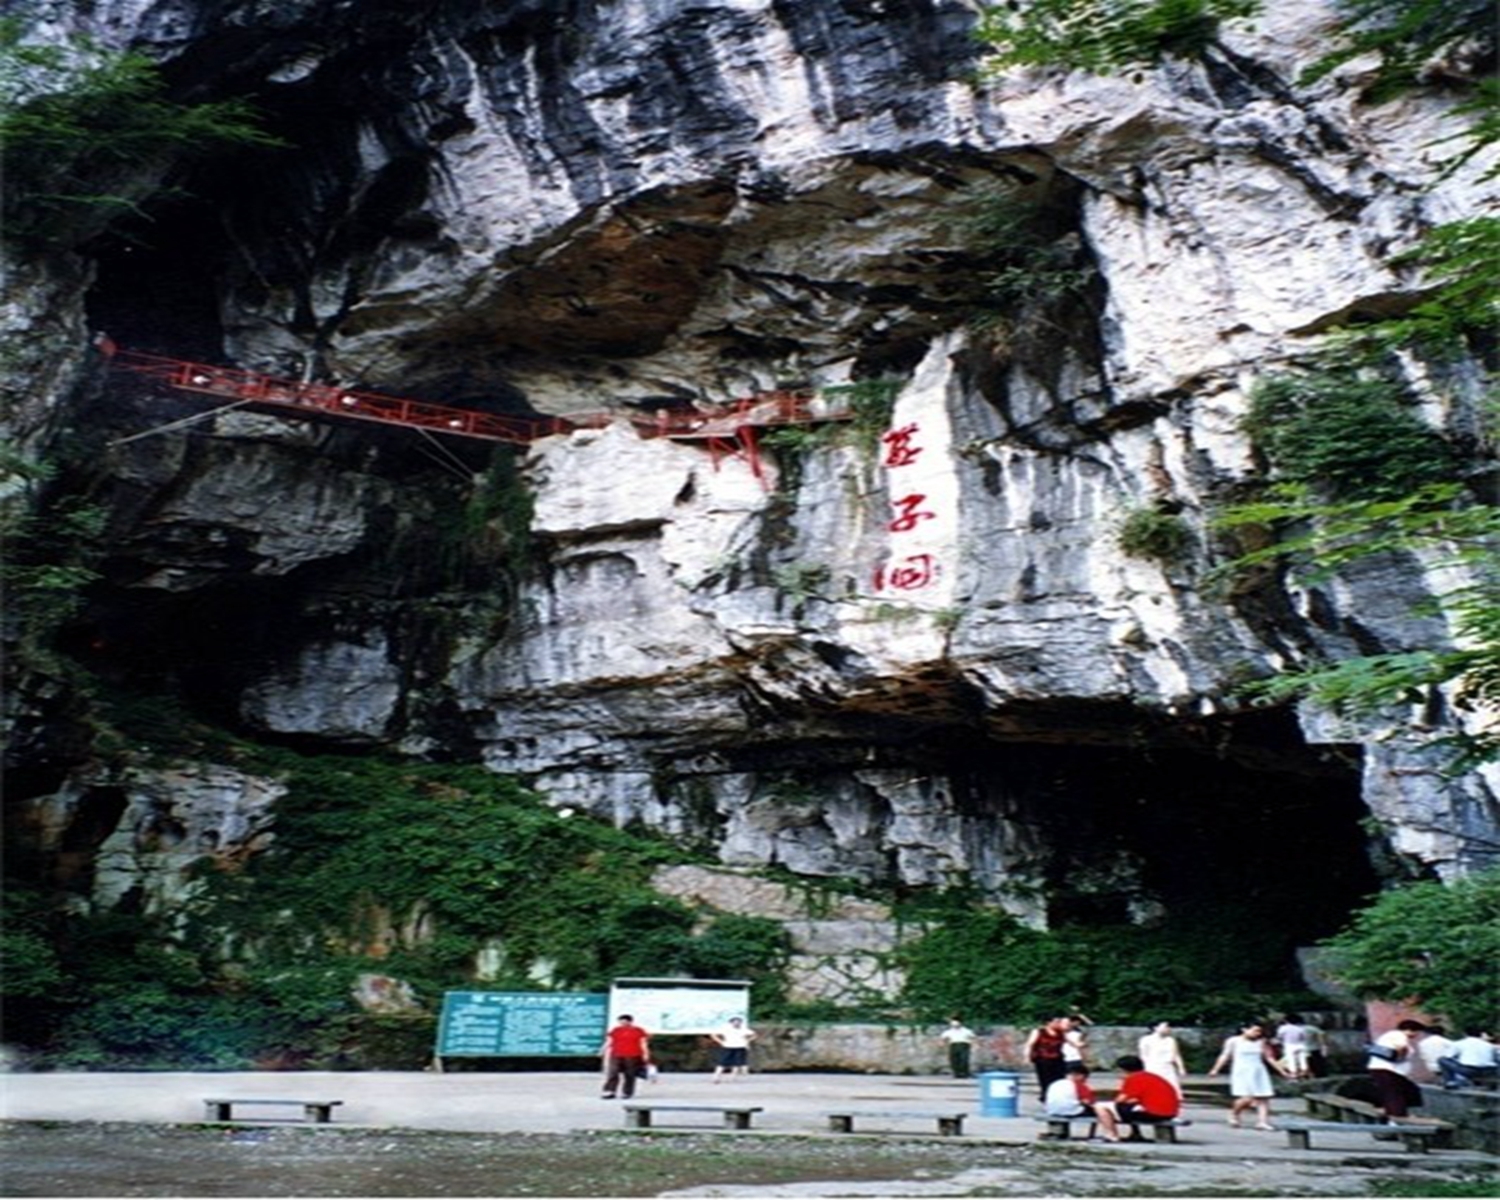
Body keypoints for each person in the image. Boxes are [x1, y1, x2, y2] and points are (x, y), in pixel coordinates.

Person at [1209, 1021, 1288, 1130]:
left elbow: (1269, 1058)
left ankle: (1263, 1121)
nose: (1258, 1033)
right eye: (1255, 1030)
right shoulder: (1233, 1041)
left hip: (1258, 1070)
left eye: (1259, 1031)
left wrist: (1282, 1071)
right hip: (1242, 1071)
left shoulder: (1262, 1042)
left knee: (1263, 1097)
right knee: (1247, 1098)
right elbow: (1225, 1055)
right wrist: (1215, 1069)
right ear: (1245, 1030)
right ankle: (1234, 1113)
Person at [1094, 1054, 1180, 1143]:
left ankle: (1111, 1136)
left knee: (1100, 1107)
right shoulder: (1151, 1076)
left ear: (1123, 1070)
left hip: (1153, 1113)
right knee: (1130, 1107)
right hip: (1170, 1112)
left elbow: (1120, 1100)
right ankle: (1135, 1133)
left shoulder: (1133, 1078)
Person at [1366, 1019, 1426, 1119]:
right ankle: (1398, 1115)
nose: (1416, 1035)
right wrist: (1400, 1058)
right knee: (1395, 1093)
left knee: (1394, 1092)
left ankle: (1393, 1113)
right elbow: (1400, 1047)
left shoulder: (1389, 1035)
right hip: (1389, 1070)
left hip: (1382, 1069)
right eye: (1416, 1032)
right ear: (1410, 1030)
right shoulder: (1399, 1035)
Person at [1044, 1063, 1120, 1140]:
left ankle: (1060, 1133)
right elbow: (1088, 1102)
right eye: (1085, 1078)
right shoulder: (1078, 1085)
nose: (1085, 1081)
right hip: (1073, 1111)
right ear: (1080, 1075)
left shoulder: (1056, 1083)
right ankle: (1110, 1133)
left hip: (1053, 1110)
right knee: (1100, 1111)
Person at [600, 1014, 651, 1100]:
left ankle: (627, 1092)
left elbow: (643, 1043)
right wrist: (603, 1049)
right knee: (613, 1072)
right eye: (621, 1022)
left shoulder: (638, 1031)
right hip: (616, 1054)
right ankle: (609, 1091)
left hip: (633, 1055)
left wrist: (645, 1053)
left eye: (624, 1022)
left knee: (630, 1074)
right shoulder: (616, 1030)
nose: (622, 1024)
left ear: (630, 1022)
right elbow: (609, 1041)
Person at [1025, 1016, 1072, 1096]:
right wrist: (1027, 1056)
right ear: (1049, 1023)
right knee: (1046, 1080)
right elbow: (1030, 1044)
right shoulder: (1039, 1031)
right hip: (1043, 1059)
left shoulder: (1061, 1032)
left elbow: (1071, 1041)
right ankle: (1046, 1096)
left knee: (1059, 1080)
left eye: (1059, 1022)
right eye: (1056, 1022)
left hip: (1058, 1059)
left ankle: (1057, 1097)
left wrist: (1079, 1045)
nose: (1058, 1024)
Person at [1137, 1021, 1187, 1095]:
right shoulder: (1146, 1040)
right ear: (1156, 1028)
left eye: (1168, 1027)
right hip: (1152, 1066)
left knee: (1172, 1087)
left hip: (1167, 1067)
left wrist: (1181, 1068)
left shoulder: (1170, 1040)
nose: (1168, 1029)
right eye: (1165, 1026)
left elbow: (1176, 1055)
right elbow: (1143, 1055)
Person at [711, 1016, 757, 1081]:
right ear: (731, 1023)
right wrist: (721, 1042)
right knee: (722, 1062)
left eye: (739, 1022)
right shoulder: (726, 1029)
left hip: (740, 1046)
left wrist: (747, 1041)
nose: (737, 1024)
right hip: (728, 1046)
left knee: (737, 1062)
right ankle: (716, 1076)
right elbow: (713, 1035)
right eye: (735, 1022)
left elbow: (754, 1034)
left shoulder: (743, 1029)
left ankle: (733, 1076)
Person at [1275, 1015, 1312, 1081]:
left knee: (1291, 1060)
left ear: (1286, 1020)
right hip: (1300, 1045)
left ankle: (1294, 1075)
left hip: (1289, 1045)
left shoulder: (1283, 1028)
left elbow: (1279, 1037)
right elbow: (1303, 1037)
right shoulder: (1299, 1028)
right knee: (1302, 1060)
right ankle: (1304, 1073)